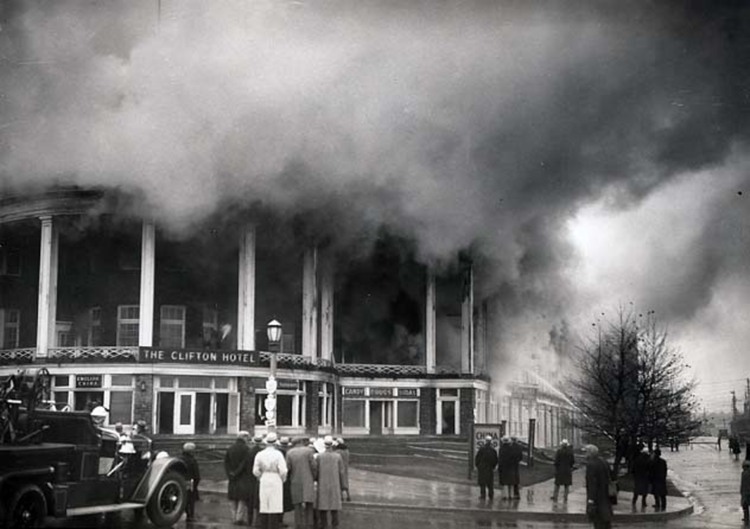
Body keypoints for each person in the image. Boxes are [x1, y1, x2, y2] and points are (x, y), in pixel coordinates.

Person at [253, 432, 288, 529]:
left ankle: (264, 525)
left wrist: (260, 476)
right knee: (275, 504)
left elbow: (255, 470)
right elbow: (283, 470)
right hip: (276, 478)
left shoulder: (260, 454)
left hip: (264, 478)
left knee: (264, 503)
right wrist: (283, 479)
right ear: (275, 443)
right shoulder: (278, 454)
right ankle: (274, 525)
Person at [286, 437, 318, 529]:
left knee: (297, 504)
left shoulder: (290, 453)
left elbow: (288, 468)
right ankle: (309, 524)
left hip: (295, 480)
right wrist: (314, 477)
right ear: (301, 441)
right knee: (309, 504)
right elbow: (314, 466)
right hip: (308, 479)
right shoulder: (308, 451)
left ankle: (298, 524)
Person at [316, 435, 346, 529]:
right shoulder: (337, 457)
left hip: (323, 483)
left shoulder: (320, 457)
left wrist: (316, 479)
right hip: (335, 483)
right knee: (334, 504)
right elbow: (341, 472)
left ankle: (323, 524)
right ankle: (334, 524)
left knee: (323, 504)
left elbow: (316, 470)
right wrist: (343, 486)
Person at [225, 431, 254, 526]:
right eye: (247, 438)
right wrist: (237, 472)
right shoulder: (247, 449)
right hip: (243, 477)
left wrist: (230, 473)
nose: (248, 440)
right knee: (242, 498)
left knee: (233, 498)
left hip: (232, 477)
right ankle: (239, 518)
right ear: (244, 438)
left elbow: (226, 463)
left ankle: (233, 517)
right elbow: (246, 463)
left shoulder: (230, 448)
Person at [584, 444, 613, 529]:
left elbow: (592, 483)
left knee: (598, 520)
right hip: (606, 494)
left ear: (590, 453)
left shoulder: (591, 465)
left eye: (586, 452)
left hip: (597, 497)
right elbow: (610, 476)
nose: (585, 454)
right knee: (606, 520)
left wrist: (591, 499)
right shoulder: (604, 462)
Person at [181, 442, 201, 522]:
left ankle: (186, 512)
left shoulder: (180, 459)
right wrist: (196, 483)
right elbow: (196, 474)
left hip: (182, 480)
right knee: (191, 500)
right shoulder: (192, 460)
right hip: (191, 481)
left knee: (184, 498)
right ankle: (190, 515)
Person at [475, 436, 498, 500]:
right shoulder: (493, 450)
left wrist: (478, 465)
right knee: (490, 483)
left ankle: (483, 494)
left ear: (485, 441)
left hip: (482, 468)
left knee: (482, 482)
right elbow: (495, 460)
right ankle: (491, 494)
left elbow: (477, 458)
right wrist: (493, 466)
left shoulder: (481, 449)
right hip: (489, 468)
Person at [631, 445, 650, 509]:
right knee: (644, 490)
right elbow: (649, 468)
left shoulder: (637, 459)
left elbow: (634, 468)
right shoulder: (647, 460)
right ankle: (643, 501)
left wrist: (634, 474)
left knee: (637, 489)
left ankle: (634, 500)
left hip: (638, 476)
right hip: (644, 477)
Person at [334, 438, 351, 502]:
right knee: (346, 482)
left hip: (339, 467)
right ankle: (348, 496)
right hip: (345, 467)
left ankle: (341, 497)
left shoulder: (337, 452)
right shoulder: (347, 451)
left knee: (339, 482)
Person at [741, 459, 750, 525]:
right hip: (745, 491)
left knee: (745, 505)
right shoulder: (743, 473)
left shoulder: (744, 473)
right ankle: (746, 517)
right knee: (745, 505)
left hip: (746, 492)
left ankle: (746, 518)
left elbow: (743, 483)